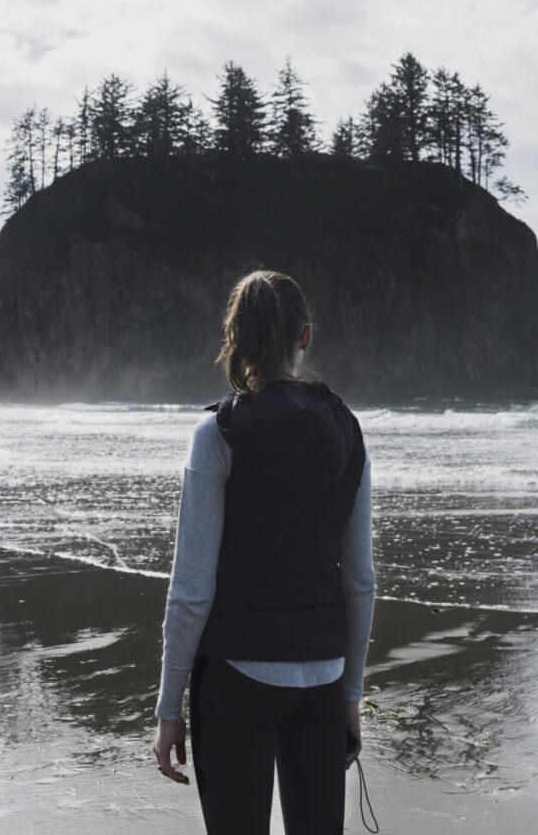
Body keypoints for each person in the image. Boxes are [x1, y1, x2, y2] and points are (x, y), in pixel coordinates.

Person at [152, 269, 376, 835]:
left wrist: (168, 708)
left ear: (235, 337)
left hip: (237, 678)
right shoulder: (349, 432)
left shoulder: (217, 437)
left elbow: (191, 591)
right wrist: (351, 693)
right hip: (324, 679)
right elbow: (360, 581)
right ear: (305, 337)